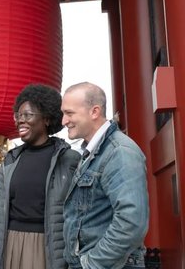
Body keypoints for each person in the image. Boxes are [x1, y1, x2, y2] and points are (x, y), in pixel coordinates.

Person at [0, 84, 80, 269]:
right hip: (10, 244)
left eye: (27, 115)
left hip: (48, 249)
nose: (20, 121)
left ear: (47, 119)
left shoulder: (68, 160)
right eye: (18, 116)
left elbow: (79, 215)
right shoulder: (10, 161)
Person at [61, 82, 149, 269]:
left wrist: (91, 263)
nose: (64, 121)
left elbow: (131, 223)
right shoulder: (92, 152)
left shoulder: (120, 152)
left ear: (94, 111)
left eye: (69, 113)